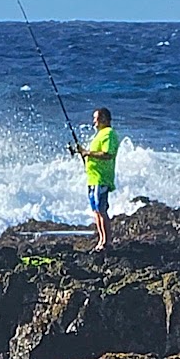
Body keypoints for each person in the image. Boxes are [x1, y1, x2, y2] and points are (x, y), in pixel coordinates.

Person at [69, 107, 121, 252]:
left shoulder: (109, 134)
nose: (94, 121)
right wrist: (82, 152)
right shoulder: (100, 134)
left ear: (104, 118)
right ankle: (101, 240)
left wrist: (88, 153)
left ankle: (107, 242)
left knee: (101, 209)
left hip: (101, 178)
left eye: (96, 118)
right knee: (96, 211)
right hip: (93, 179)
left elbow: (107, 154)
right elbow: (92, 154)